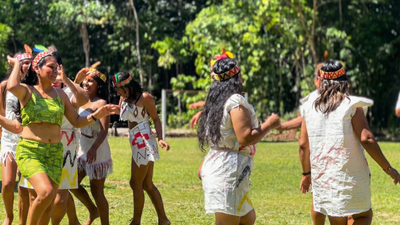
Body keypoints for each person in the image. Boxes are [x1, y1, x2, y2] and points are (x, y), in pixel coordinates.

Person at [6, 50, 116, 225]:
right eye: (51, 67)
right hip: (31, 152)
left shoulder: (61, 95)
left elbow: (77, 120)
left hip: (56, 153)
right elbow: (11, 86)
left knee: (49, 205)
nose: (56, 71)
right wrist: (17, 65)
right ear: (37, 68)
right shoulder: (27, 91)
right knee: (46, 192)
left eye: (57, 68)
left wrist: (97, 115)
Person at [299, 60, 400, 225]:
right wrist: (388, 169)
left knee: (337, 220)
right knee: (362, 216)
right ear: (344, 81)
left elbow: (303, 145)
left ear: (322, 82)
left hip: (323, 179)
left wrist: (306, 174)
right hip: (349, 177)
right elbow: (366, 138)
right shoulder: (351, 106)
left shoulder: (310, 108)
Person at [197, 58, 281, 225]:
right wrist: (269, 124)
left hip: (222, 167)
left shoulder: (217, 101)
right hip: (228, 172)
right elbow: (245, 137)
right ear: (236, 78)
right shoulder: (235, 100)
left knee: (248, 218)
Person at [112, 71, 170, 225]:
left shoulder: (145, 97)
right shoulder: (123, 97)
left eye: (119, 88)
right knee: (146, 184)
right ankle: (163, 220)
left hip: (143, 140)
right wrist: (107, 109)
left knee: (136, 183)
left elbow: (156, 119)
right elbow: (122, 112)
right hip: (135, 139)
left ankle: (136, 221)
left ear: (128, 86)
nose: (117, 91)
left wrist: (161, 138)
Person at [70, 67, 112, 225]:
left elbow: (104, 131)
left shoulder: (102, 103)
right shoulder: (81, 98)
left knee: (97, 191)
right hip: (82, 148)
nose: (86, 83)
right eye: (85, 80)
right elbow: (68, 99)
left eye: (90, 80)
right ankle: (92, 210)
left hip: (97, 149)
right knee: (71, 183)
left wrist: (93, 149)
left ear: (98, 84)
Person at [0, 46, 33, 225]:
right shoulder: (5, 86)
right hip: (8, 139)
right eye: (23, 63)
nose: (27, 66)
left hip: (27, 139)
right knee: (6, 184)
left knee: (24, 188)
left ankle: (22, 221)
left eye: (30, 63)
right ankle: (8, 216)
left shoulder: (34, 88)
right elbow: (2, 113)